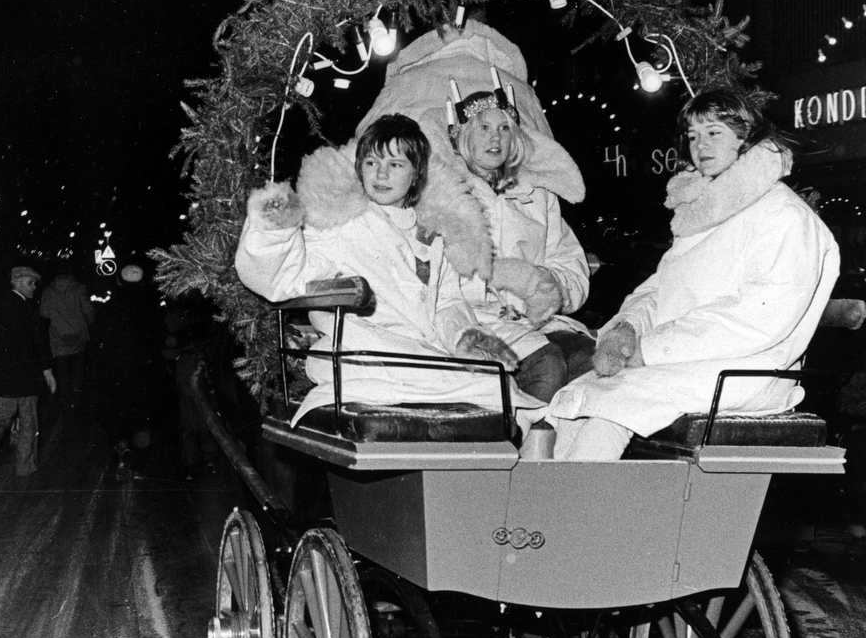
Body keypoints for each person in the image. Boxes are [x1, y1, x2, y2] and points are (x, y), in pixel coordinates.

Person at [547, 88, 840, 460]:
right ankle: (546, 512)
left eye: (714, 132)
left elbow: (759, 318)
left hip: (745, 369)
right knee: (568, 408)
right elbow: (661, 289)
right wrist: (628, 327)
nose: (700, 145)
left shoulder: (785, 217)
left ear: (745, 135)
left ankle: (576, 514)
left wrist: (650, 350)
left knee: (606, 416)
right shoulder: (706, 212)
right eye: (692, 136)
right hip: (687, 362)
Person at [236, 113, 536, 425]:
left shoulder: (432, 230)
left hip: (416, 354)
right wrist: (275, 230)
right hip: (364, 352)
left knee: (497, 385)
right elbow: (283, 279)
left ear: (416, 174)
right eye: (371, 162)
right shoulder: (342, 223)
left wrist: (465, 337)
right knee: (493, 389)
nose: (381, 174)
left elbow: (447, 302)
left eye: (395, 164)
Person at [453, 89, 595, 402]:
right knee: (548, 367)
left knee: (589, 362)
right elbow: (442, 279)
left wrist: (549, 285)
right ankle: (527, 445)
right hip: (481, 322)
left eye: (504, 128)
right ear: (462, 135)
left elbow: (569, 263)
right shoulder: (447, 194)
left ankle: (560, 445)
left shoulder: (537, 195)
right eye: (484, 128)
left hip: (541, 323)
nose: (495, 139)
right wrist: (507, 279)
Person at [0, 266, 56, 479]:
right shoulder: (28, 311)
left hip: (3, 378)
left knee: (1, 418)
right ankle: (25, 467)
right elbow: (40, 344)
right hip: (27, 377)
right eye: (31, 283)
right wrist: (47, 371)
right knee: (29, 421)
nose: (34, 287)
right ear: (17, 282)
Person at [39, 269, 94, 409]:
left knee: (62, 369)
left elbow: (44, 313)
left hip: (59, 335)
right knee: (78, 367)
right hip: (78, 334)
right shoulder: (79, 288)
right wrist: (88, 323)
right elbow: (87, 310)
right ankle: (76, 399)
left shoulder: (48, 290)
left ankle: (64, 399)